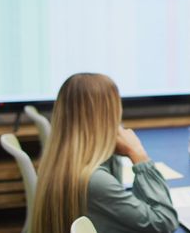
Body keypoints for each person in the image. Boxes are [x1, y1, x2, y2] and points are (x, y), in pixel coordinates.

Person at [31, 73, 178, 233]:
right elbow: (164, 222)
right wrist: (139, 156)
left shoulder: (60, 162)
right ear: (109, 118)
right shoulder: (95, 180)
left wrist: (109, 145)